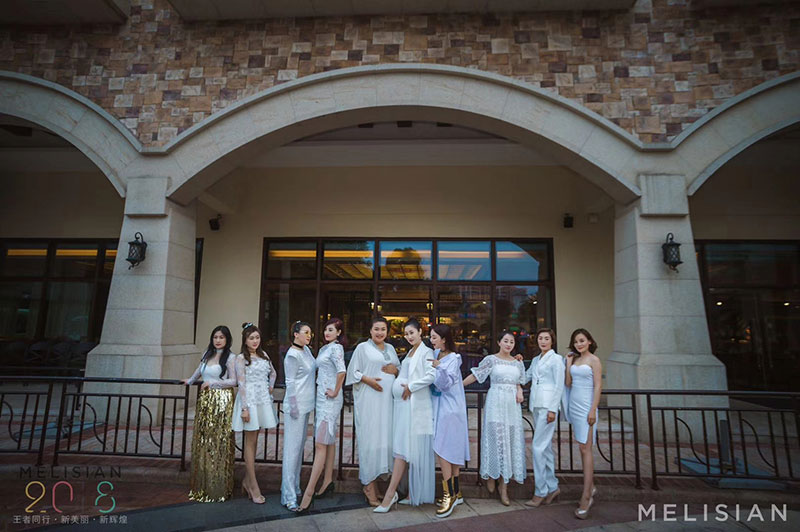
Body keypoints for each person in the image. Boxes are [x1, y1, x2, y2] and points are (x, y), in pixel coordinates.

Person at [374, 318, 436, 513]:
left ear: (420, 332)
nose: (409, 336)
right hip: (402, 407)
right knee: (405, 449)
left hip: (413, 407)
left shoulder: (426, 352)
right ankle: (409, 493)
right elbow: (408, 371)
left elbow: (431, 375)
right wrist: (397, 370)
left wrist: (411, 386)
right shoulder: (410, 352)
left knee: (403, 450)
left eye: (412, 333)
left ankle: (389, 495)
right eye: (406, 334)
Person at [462, 330, 526, 506]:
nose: (508, 344)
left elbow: (519, 381)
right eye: (505, 341)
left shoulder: (518, 362)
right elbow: (477, 374)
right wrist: (459, 385)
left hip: (511, 405)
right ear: (499, 342)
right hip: (495, 402)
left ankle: (504, 486)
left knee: (509, 441)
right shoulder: (491, 359)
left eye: (511, 342)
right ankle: (492, 474)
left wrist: (519, 390)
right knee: (494, 438)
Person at [345, 315, 400, 506]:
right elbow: (352, 371)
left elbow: (399, 370)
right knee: (369, 439)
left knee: (383, 440)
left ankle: (377, 482)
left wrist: (395, 371)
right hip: (369, 401)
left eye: (383, 329)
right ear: (370, 331)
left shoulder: (391, 348)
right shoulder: (362, 348)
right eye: (376, 329)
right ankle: (368, 485)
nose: (380, 332)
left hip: (387, 404)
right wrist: (368, 380)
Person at [296, 318, 347, 513]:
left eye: (331, 330)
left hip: (329, 400)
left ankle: (309, 493)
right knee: (329, 441)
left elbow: (342, 371)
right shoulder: (326, 348)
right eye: (326, 329)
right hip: (322, 397)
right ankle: (327, 481)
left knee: (320, 444)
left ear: (339, 333)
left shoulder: (336, 348)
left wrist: (335, 391)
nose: (327, 332)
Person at [183, 326, 237, 502]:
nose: (218, 340)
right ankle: (203, 485)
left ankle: (218, 488)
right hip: (205, 401)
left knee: (219, 443)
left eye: (221, 337)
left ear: (227, 339)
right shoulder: (207, 354)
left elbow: (234, 381)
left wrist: (213, 383)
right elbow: (200, 371)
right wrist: (190, 381)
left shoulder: (231, 357)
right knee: (203, 441)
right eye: (215, 337)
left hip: (222, 401)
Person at [231, 322, 278, 504]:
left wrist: (270, 388)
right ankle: (253, 485)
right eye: (251, 338)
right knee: (249, 442)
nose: (255, 341)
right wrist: (244, 408)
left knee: (255, 441)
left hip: (262, 400)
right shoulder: (240, 358)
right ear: (245, 340)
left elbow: (273, 373)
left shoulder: (264, 355)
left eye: (257, 337)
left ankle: (247, 480)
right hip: (249, 401)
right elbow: (241, 384)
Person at [429, 323, 470, 518]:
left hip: (450, 408)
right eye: (431, 337)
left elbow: (446, 384)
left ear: (444, 339)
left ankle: (449, 495)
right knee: (449, 447)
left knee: (443, 449)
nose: (431, 340)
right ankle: (456, 491)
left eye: (434, 337)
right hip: (441, 406)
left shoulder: (453, 358)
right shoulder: (437, 354)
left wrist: (438, 368)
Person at [524, 328, 565, 508]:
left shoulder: (557, 359)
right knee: (545, 448)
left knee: (537, 447)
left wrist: (553, 409)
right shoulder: (535, 360)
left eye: (546, 338)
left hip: (548, 406)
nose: (543, 341)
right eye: (540, 338)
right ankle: (553, 487)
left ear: (552, 341)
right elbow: (525, 378)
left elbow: (559, 385)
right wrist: (515, 364)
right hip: (536, 404)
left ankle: (540, 491)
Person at [566, 328, 602, 520]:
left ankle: (586, 496)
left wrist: (593, 409)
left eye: (581, 340)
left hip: (587, 406)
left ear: (589, 341)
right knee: (581, 448)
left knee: (586, 449)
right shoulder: (576, 360)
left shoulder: (594, 360)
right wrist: (568, 363)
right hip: (574, 405)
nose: (579, 344)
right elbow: (568, 383)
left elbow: (598, 386)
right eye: (576, 341)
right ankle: (591, 486)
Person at [281, 321, 317, 511]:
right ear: (296, 334)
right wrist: (293, 406)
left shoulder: (307, 351)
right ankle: (288, 496)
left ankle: (295, 487)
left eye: (310, 333)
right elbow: (290, 382)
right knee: (292, 451)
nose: (309, 335)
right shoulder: (292, 355)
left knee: (299, 448)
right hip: (296, 407)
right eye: (306, 332)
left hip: (307, 405)